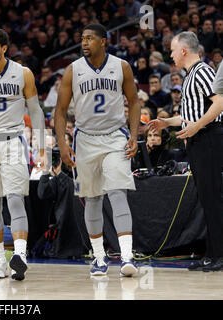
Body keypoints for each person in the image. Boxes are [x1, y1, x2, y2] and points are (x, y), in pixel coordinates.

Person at [54, 24, 141, 277]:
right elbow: (60, 110)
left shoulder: (121, 66)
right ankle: (99, 257)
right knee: (92, 199)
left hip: (115, 137)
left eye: (90, 38)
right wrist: (62, 143)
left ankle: (127, 257)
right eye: (82, 38)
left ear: (104, 41)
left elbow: (134, 102)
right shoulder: (73, 70)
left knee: (117, 193)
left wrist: (134, 135)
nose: (84, 43)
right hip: (85, 140)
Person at [0, 27, 46, 281]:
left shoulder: (22, 73)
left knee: (15, 200)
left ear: (5, 48)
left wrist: (42, 146)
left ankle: (21, 256)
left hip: (14, 141)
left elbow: (35, 111)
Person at [148, 32, 223, 272]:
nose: (170, 54)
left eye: (172, 50)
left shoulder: (202, 71)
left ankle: (219, 255)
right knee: (207, 199)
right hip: (199, 138)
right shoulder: (190, 75)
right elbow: (191, 115)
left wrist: (197, 127)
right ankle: (212, 253)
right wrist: (166, 122)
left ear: (183, 50)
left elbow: (220, 103)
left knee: (213, 197)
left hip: (209, 137)